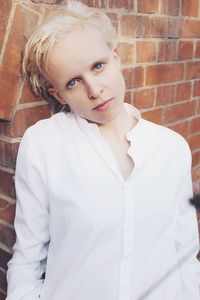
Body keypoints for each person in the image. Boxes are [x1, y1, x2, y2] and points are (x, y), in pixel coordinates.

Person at [6, 1, 200, 299]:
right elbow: (28, 260)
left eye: (98, 66)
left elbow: (185, 257)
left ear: (115, 57)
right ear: (59, 94)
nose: (94, 89)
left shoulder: (171, 148)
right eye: (73, 82)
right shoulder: (44, 144)